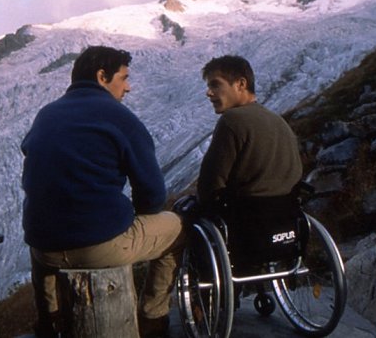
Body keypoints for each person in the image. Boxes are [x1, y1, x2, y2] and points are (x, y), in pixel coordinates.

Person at [21, 45, 184, 338]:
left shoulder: (46, 114)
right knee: (176, 228)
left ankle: (48, 323)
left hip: (43, 247)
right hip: (98, 245)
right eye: (124, 78)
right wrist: (134, 216)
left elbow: (31, 156)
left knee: (47, 235)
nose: (129, 87)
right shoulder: (118, 117)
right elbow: (153, 194)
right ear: (102, 77)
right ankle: (153, 319)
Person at [196, 55, 303, 264]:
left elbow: (211, 182)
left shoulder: (232, 120)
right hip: (286, 216)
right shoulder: (277, 119)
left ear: (241, 84)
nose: (209, 93)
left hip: (247, 223)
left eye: (215, 85)